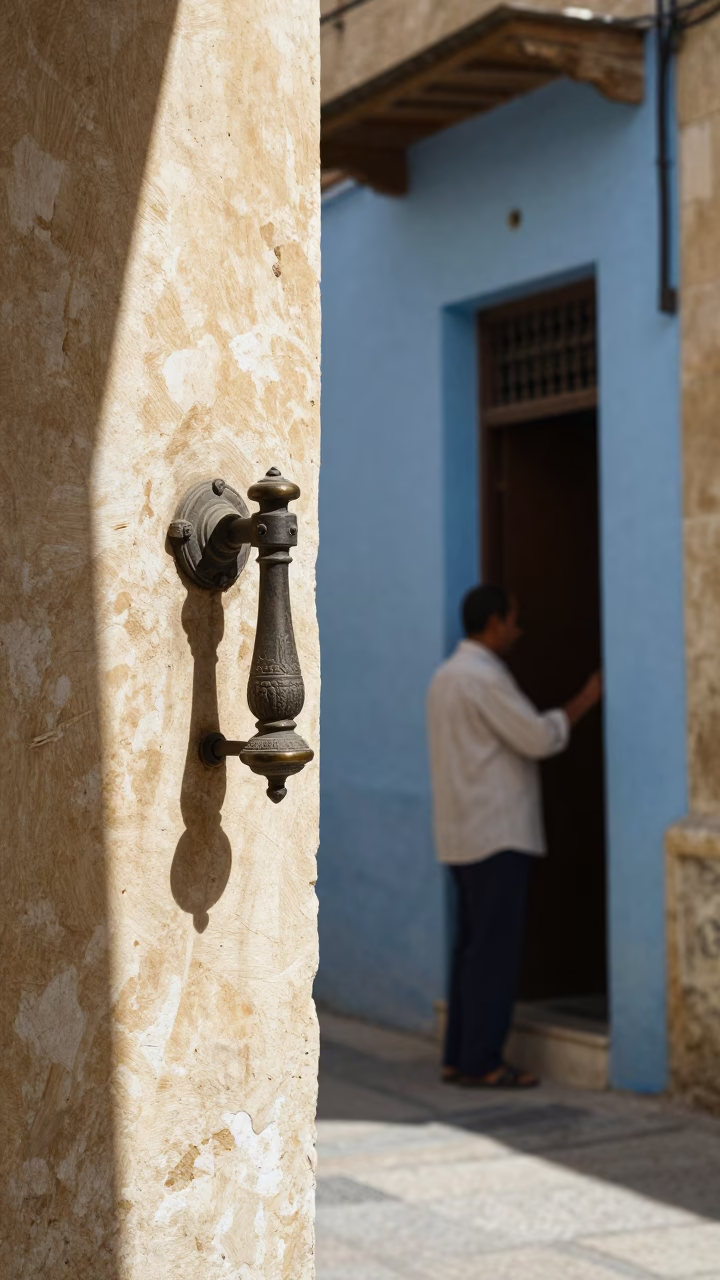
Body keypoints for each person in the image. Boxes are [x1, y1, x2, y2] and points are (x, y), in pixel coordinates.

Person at [426, 584, 601, 1088]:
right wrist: (584, 701)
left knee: (470, 949)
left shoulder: (444, 678)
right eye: (514, 620)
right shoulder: (483, 678)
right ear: (495, 622)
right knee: (493, 953)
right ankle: (484, 1061)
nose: (519, 631)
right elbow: (537, 737)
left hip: (460, 833)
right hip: (497, 833)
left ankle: (459, 1056)